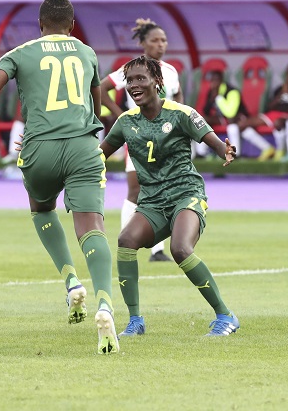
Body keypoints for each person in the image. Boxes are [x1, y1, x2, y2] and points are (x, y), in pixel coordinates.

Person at [0, 0, 119, 354]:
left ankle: (70, 282)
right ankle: (107, 304)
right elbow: (97, 108)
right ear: (72, 24)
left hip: (38, 149)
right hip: (82, 147)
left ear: (40, 23)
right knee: (91, 226)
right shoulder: (86, 52)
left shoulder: (21, 52)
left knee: (42, 209)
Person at [99, 56, 239, 337]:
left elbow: (212, 139)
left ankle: (226, 315)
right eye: (130, 81)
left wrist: (224, 150)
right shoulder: (126, 122)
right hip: (151, 202)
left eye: (141, 79)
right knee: (126, 240)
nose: (134, 86)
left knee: (180, 249)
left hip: (186, 195)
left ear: (157, 82)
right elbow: (98, 155)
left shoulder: (180, 113)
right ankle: (135, 321)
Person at [100, 18, 184, 262]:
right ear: (143, 43)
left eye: (164, 40)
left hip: (166, 138)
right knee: (136, 190)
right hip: (139, 137)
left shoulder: (170, 71)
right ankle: (127, 243)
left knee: (164, 190)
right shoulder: (131, 69)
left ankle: (157, 251)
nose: (161, 45)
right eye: (155, 40)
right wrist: (123, 118)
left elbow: (178, 98)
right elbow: (102, 88)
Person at [238, 62, 288, 161]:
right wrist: (281, 93)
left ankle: (280, 151)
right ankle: (267, 148)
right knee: (242, 125)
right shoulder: (280, 88)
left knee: (278, 124)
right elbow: (269, 106)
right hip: (273, 113)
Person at [197, 69, 249, 157]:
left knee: (232, 128)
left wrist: (218, 98)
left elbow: (230, 113)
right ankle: (201, 153)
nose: (213, 83)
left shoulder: (232, 91)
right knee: (201, 121)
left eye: (216, 80)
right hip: (223, 118)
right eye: (212, 81)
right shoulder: (211, 92)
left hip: (237, 119)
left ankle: (235, 154)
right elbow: (206, 111)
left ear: (221, 81)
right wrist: (211, 99)